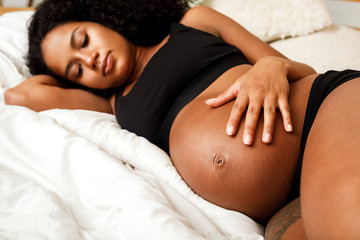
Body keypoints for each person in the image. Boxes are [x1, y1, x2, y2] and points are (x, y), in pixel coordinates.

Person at [4, 0, 360, 239]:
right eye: (75, 69)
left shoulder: (195, 22)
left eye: (83, 39)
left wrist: (270, 66)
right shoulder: (113, 103)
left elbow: (300, 69)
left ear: (104, 16)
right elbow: (20, 96)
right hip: (278, 207)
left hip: (319, 113)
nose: (90, 60)